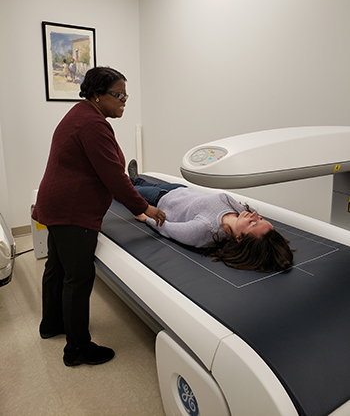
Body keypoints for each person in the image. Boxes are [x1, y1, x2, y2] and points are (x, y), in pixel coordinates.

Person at [32, 67, 165, 367]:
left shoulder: (82, 115)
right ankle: (77, 349)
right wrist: (144, 208)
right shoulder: (92, 124)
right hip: (71, 210)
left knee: (56, 268)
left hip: (56, 203)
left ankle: (51, 324)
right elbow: (114, 178)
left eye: (126, 95)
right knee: (78, 278)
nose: (124, 101)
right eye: (118, 95)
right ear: (96, 95)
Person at [128, 160, 293, 273]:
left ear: (240, 239)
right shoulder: (237, 211)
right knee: (149, 184)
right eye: (261, 219)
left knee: (130, 192)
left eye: (253, 223)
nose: (255, 215)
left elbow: (169, 229)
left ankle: (131, 182)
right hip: (181, 189)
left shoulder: (205, 229)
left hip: (161, 199)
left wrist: (146, 219)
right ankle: (136, 179)